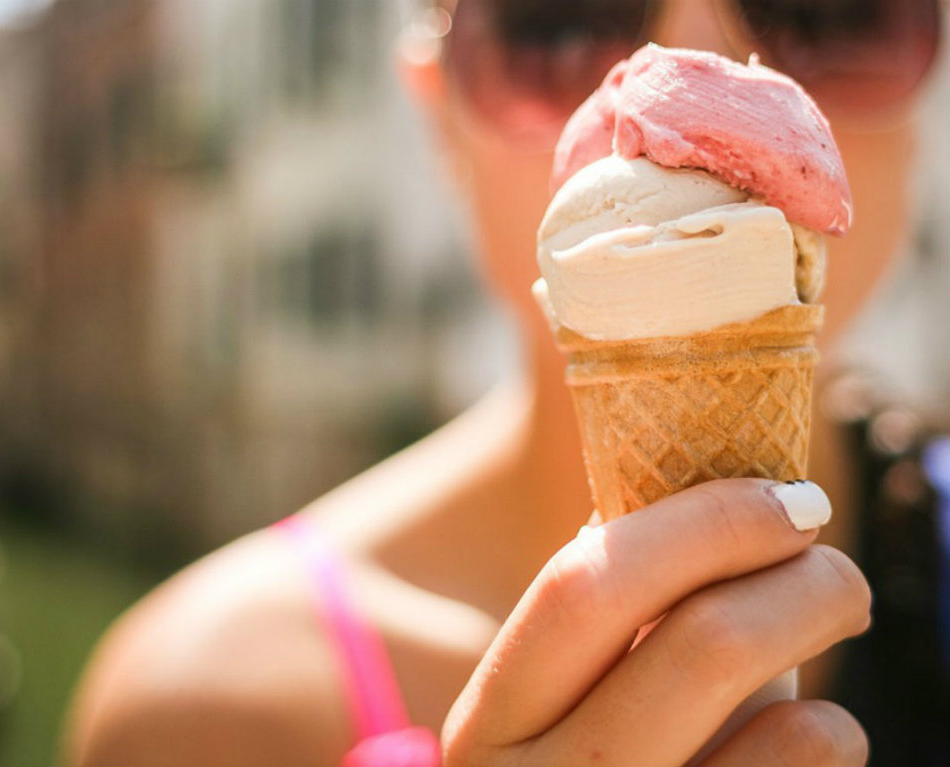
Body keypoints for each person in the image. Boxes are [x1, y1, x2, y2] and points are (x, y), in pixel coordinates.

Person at [65, 0, 945, 765]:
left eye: (830, 10)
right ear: (439, 111)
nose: (692, 71)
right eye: (555, 22)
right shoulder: (206, 712)